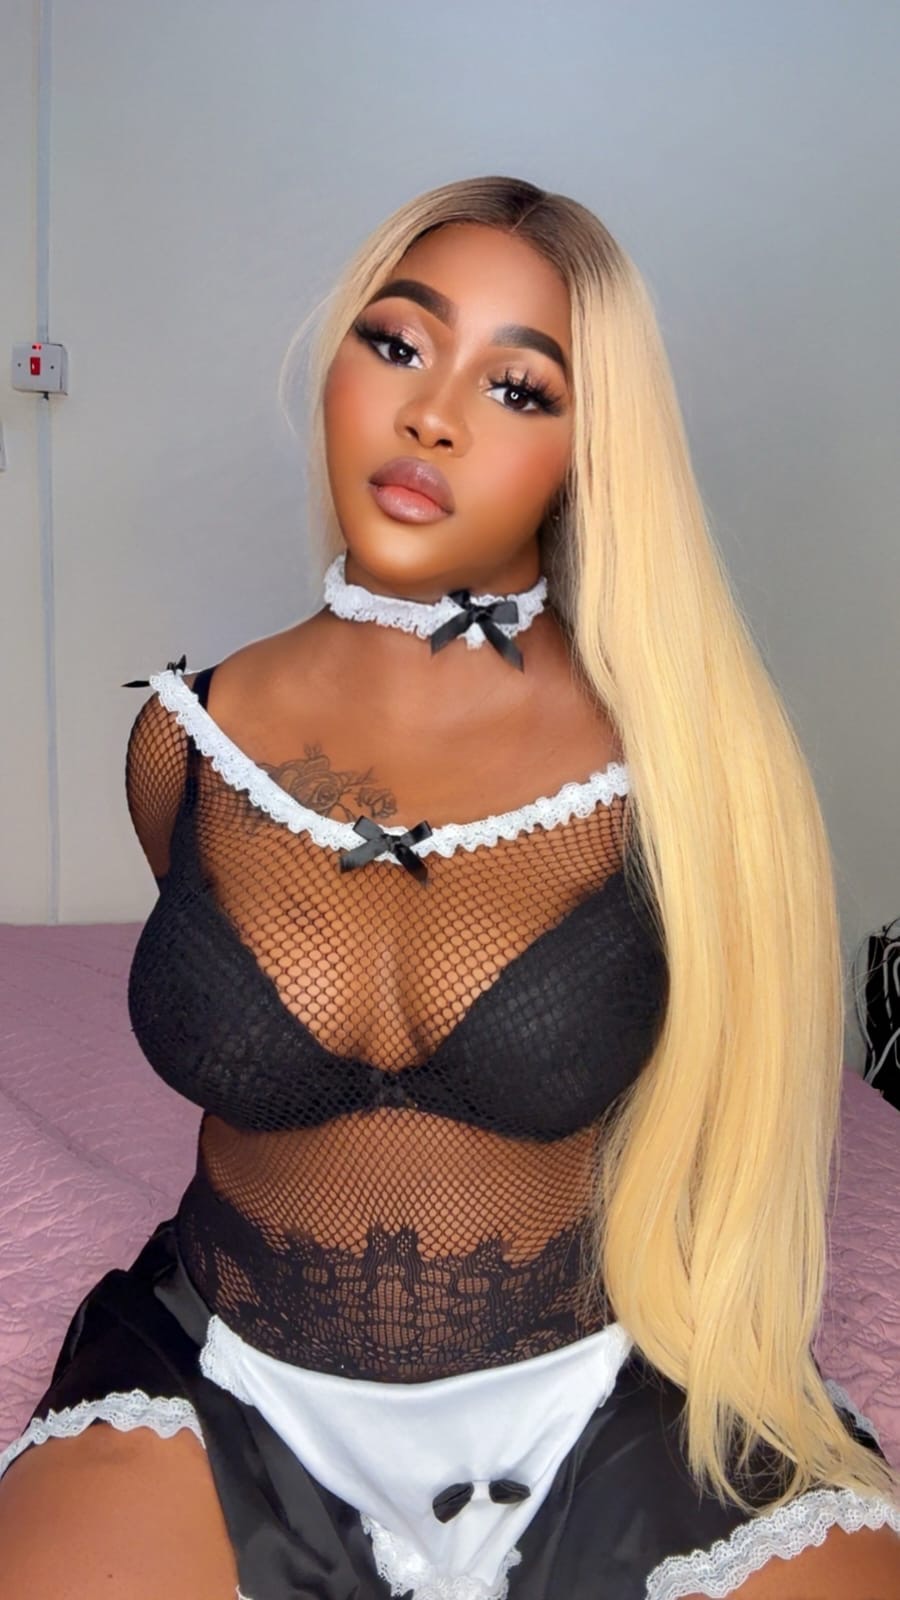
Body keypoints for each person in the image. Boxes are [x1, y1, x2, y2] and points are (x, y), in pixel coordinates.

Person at [0, 175, 897, 1600]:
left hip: (610, 1393)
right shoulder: (187, 742)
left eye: (519, 388)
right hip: (221, 1382)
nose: (432, 416)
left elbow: (748, 1121)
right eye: (399, 344)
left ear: (592, 452)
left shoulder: (683, 766)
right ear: (338, 368)